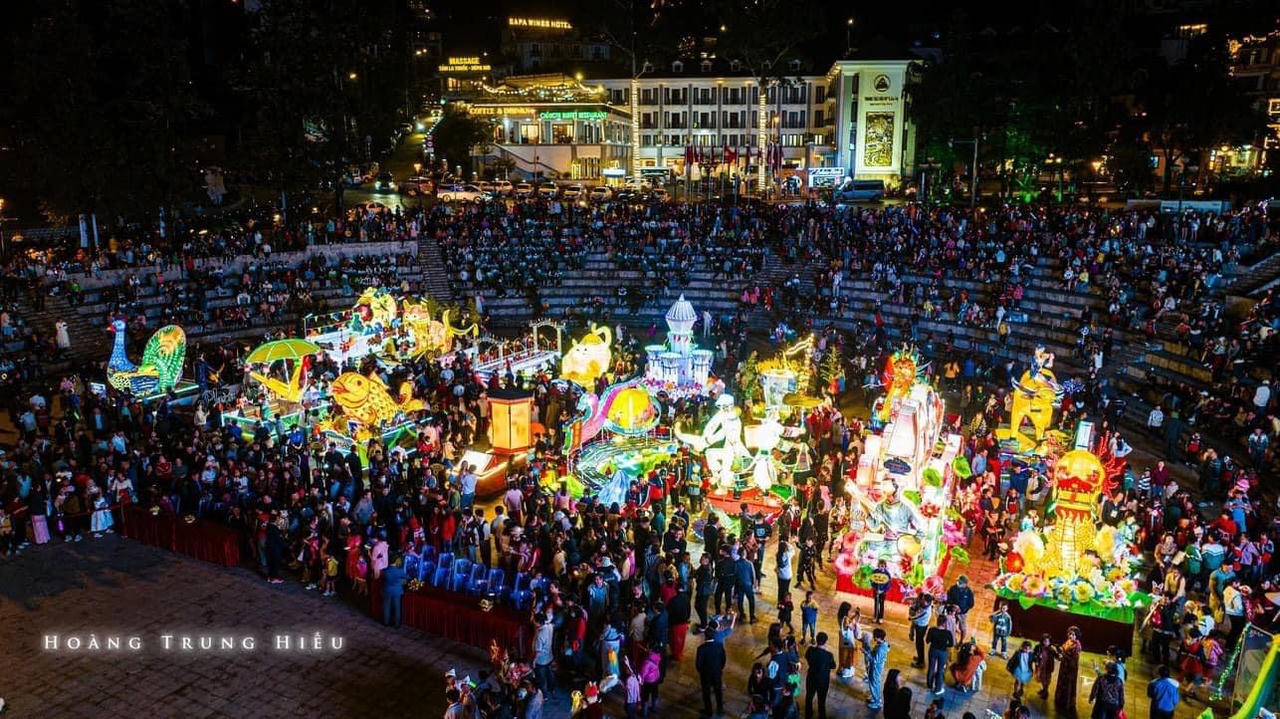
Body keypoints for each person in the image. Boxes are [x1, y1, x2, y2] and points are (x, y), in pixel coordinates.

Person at [695, 622, 727, 717]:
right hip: (717, 672)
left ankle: (708, 711)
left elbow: (698, 664)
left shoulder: (701, 649)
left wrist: (702, 672)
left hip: (706, 675)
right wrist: (719, 668)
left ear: (705, 637)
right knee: (718, 691)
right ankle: (720, 709)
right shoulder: (719, 646)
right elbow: (723, 659)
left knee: (706, 693)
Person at [803, 631, 836, 719]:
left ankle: (808, 714)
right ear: (825, 642)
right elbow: (833, 666)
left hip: (811, 678)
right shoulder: (828, 655)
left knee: (809, 697)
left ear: (817, 640)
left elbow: (806, 657)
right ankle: (822, 716)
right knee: (821, 701)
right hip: (823, 681)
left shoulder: (810, 650)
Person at [858, 626, 890, 710]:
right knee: (875, 683)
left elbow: (874, 660)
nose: (873, 638)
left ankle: (877, 701)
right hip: (876, 668)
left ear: (879, 638)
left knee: (874, 684)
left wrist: (866, 653)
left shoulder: (880, 649)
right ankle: (875, 697)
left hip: (876, 669)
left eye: (874, 636)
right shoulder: (882, 644)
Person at [1055, 627, 1083, 715]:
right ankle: (1060, 699)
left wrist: (1063, 654)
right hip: (1063, 667)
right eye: (1069, 634)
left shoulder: (1076, 645)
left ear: (1076, 636)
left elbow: (1073, 660)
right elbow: (1064, 651)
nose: (1071, 636)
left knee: (1068, 685)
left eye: (1073, 634)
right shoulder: (1068, 641)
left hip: (1070, 670)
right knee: (1062, 682)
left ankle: (1066, 703)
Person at [926, 614, 955, 696]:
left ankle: (929, 685)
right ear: (945, 623)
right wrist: (945, 645)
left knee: (931, 668)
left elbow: (927, 641)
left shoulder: (932, 630)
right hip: (942, 652)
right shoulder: (948, 633)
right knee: (940, 669)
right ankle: (938, 688)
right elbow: (951, 644)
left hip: (933, 650)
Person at [381, 555, 407, 628]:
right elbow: (408, 577)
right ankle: (397, 624)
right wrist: (402, 581)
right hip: (397, 591)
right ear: (396, 561)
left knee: (386, 606)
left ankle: (386, 622)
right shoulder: (400, 571)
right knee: (397, 608)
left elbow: (382, 578)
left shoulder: (385, 570)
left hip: (387, 590)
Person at [947, 575, 976, 639]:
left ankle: (961, 641)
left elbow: (971, 604)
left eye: (960, 583)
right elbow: (948, 598)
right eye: (958, 582)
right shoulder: (953, 588)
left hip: (962, 613)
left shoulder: (969, 592)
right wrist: (953, 606)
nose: (958, 584)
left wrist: (962, 610)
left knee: (962, 627)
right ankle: (951, 637)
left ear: (965, 584)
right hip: (952, 612)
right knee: (951, 624)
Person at [1034, 633, 1057, 699]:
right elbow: (1035, 654)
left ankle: (1045, 692)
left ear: (1050, 642)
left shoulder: (1051, 649)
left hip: (1047, 667)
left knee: (1046, 680)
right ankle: (1044, 689)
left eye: (1047, 641)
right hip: (1040, 666)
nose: (1045, 643)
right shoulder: (1039, 647)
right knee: (1041, 678)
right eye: (1044, 641)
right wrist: (1037, 659)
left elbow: (1057, 656)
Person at [869, 559, 891, 623]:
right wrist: (875, 588)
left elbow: (888, 584)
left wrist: (883, 590)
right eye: (880, 565)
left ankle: (881, 617)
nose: (881, 567)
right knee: (876, 604)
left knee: (881, 604)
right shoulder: (875, 572)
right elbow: (871, 580)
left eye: (883, 566)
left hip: (883, 592)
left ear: (885, 566)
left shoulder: (887, 574)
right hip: (876, 591)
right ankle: (875, 616)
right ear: (878, 565)